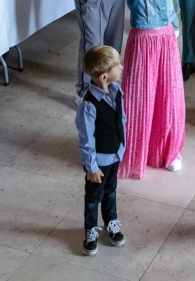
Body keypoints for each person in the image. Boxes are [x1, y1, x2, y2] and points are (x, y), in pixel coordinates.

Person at [119, 0, 195, 178]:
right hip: (143, 41)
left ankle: (167, 150)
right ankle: (137, 151)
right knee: (141, 98)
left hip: (166, 37)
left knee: (169, 95)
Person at [76, 45, 127, 256]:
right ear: (104, 76)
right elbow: (86, 138)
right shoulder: (89, 105)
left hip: (115, 154)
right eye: (117, 66)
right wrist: (92, 167)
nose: (121, 67)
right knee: (93, 197)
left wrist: (122, 145)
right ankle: (90, 230)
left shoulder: (116, 90)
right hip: (98, 162)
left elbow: (121, 119)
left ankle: (110, 222)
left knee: (110, 191)